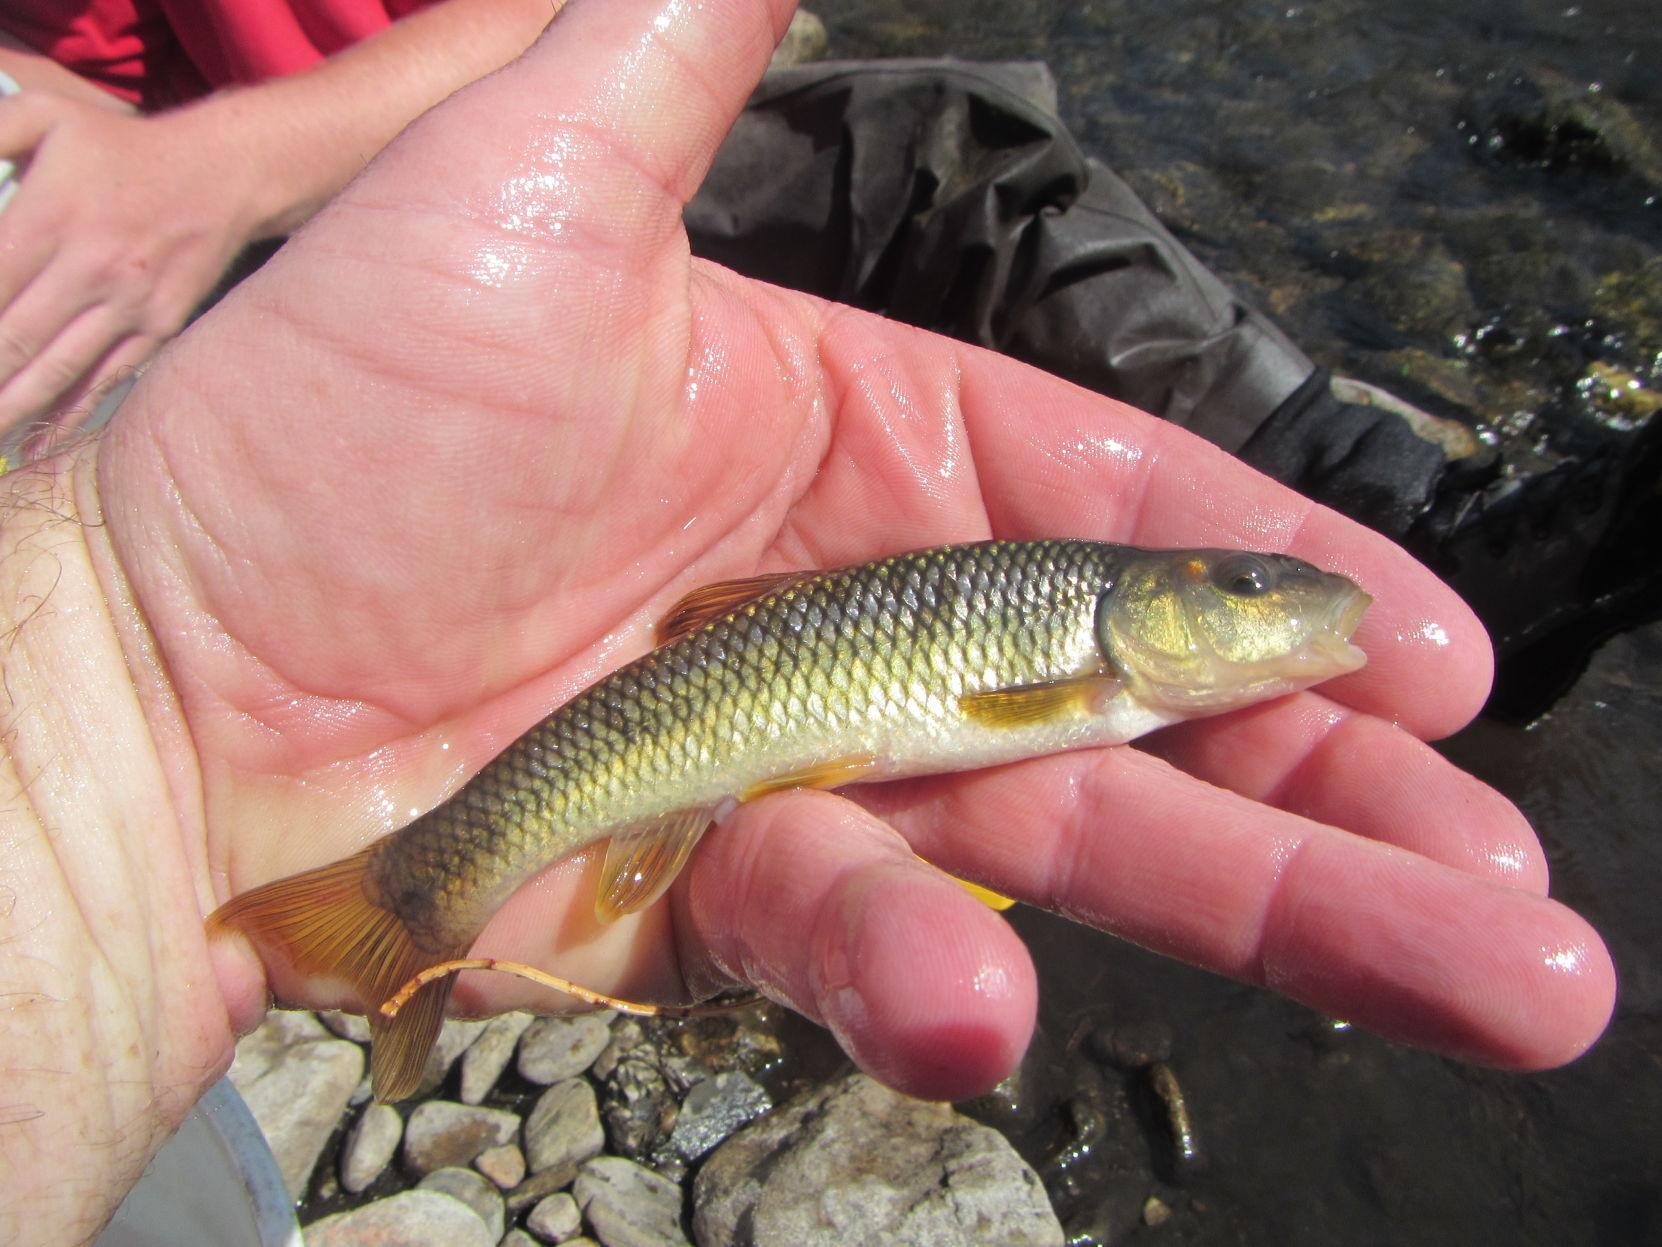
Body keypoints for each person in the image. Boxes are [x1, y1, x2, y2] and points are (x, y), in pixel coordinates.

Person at [0, 2, 1615, 1245]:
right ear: (1165, 609)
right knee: (955, 151)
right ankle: (407, 897)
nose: (1270, 616)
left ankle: (1398, 508)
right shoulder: (1074, 640)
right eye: (1251, 596)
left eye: (1247, 594)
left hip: (447, 210)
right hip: (258, 286)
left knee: (957, 143)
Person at [0, 0, 558, 456]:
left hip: (519, 221)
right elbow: (90, 64)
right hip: (235, 190)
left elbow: (589, 20)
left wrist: (217, 168)